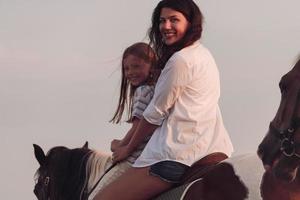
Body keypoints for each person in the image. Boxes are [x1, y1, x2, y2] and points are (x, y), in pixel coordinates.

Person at [94, 0, 233, 199]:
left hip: (174, 155)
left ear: (190, 22)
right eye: (162, 21)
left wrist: (127, 149)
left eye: (174, 20)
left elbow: (154, 114)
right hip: (208, 146)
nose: (166, 26)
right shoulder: (203, 55)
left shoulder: (181, 60)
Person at [88, 42, 159, 199]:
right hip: (149, 153)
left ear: (152, 67)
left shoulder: (142, 91)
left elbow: (138, 126)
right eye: (127, 68)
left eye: (136, 66)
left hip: (135, 159)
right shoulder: (155, 90)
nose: (131, 72)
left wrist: (121, 146)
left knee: (95, 197)